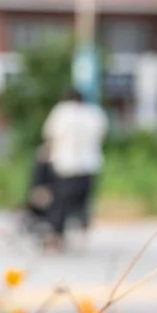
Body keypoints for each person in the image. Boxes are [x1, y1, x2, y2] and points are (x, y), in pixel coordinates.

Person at [42, 89, 107, 251]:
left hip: (65, 165)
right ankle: (82, 230)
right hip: (89, 165)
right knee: (83, 201)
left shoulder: (61, 112)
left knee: (61, 202)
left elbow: (49, 134)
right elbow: (102, 135)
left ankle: (56, 235)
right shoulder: (94, 113)